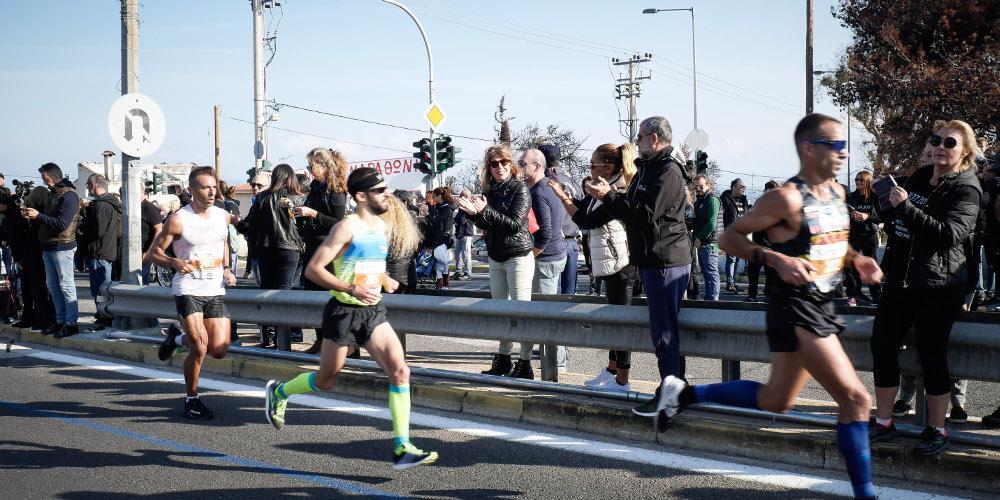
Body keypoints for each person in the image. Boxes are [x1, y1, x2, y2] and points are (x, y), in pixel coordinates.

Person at [655, 114, 882, 500]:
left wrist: (856, 258)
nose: (844, 153)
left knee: (779, 399)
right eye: (836, 145)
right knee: (857, 399)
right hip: (795, 306)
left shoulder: (838, 194)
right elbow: (729, 238)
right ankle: (866, 495)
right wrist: (774, 258)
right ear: (809, 149)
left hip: (823, 304)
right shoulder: (784, 198)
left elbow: (831, 241)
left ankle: (684, 394)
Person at [264, 167, 438, 470]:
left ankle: (402, 447)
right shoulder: (346, 227)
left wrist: (384, 279)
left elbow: (365, 260)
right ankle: (279, 392)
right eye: (380, 190)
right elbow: (314, 270)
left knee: (400, 372)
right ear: (361, 196)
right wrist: (350, 288)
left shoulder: (381, 226)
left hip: (373, 312)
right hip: (343, 311)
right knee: (325, 379)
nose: (387, 195)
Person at [869, 120, 983, 455]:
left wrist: (906, 207)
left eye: (950, 142)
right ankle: (885, 422)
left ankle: (937, 428)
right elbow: (894, 220)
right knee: (882, 343)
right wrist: (884, 203)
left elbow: (949, 235)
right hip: (901, 280)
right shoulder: (919, 177)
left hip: (939, 284)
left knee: (932, 354)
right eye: (936, 140)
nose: (940, 147)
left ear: (965, 151)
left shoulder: (967, 188)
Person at [584, 116, 692, 418]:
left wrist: (610, 197)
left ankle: (670, 397)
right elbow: (632, 209)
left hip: (664, 260)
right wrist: (610, 198)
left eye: (640, 136)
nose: (636, 141)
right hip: (652, 259)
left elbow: (645, 214)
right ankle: (672, 390)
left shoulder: (668, 170)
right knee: (662, 332)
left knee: (665, 333)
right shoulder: (651, 168)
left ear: (654, 138)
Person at [151, 166, 238, 420]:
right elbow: (154, 253)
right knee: (200, 347)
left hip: (214, 288)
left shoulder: (222, 215)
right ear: (191, 190)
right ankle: (192, 398)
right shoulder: (178, 219)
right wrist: (174, 263)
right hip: (188, 287)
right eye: (205, 187)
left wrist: (225, 268)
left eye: (214, 187)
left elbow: (223, 241)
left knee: (219, 348)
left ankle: (176, 338)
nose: (211, 192)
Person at [551, 142, 637, 392]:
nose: (589, 168)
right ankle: (612, 371)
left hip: (622, 264)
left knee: (622, 323)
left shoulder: (619, 191)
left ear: (609, 167)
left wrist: (562, 196)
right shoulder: (603, 189)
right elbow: (584, 207)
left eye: (593, 165)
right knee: (614, 320)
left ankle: (623, 379)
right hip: (609, 262)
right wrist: (569, 193)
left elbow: (587, 220)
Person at [455, 144, 534, 378]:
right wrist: (474, 214)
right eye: (494, 164)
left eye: (503, 162)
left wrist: (484, 211)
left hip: (518, 254)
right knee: (500, 311)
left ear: (511, 164)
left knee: (521, 311)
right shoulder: (492, 190)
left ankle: (525, 363)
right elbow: (488, 224)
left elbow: (514, 224)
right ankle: (503, 359)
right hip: (496, 255)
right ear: (488, 168)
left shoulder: (519, 189)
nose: (499, 167)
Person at [237, 164, 306, 349]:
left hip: (266, 249)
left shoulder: (262, 198)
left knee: (267, 293)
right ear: (291, 178)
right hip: (290, 250)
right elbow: (305, 227)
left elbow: (250, 227)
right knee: (284, 294)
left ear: (274, 178)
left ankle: (268, 337)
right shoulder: (299, 198)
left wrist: (236, 223)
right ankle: (283, 341)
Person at [297, 148, 349, 354]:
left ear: (324, 166)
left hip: (329, 250)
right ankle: (321, 340)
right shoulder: (315, 189)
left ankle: (338, 343)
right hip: (312, 246)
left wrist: (314, 214)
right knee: (313, 295)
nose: (309, 170)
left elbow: (338, 223)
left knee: (328, 296)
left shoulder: (336, 191)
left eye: (312, 166)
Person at [523, 148, 568, 377]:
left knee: (544, 316)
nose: (521, 168)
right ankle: (555, 361)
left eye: (524, 164)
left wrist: (530, 257)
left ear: (537, 166)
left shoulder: (539, 192)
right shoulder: (548, 185)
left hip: (545, 259)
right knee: (547, 312)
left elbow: (545, 232)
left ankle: (556, 364)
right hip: (554, 256)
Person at [22, 163, 81, 338]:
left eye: (46, 179)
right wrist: (33, 216)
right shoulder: (53, 194)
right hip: (48, 246)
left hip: (62, 246)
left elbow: (62, 224)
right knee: (53, 286)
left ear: (55, 176)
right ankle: (60, 320)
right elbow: (49, 220)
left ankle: (71, 324)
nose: (45, 183)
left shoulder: (69, 195)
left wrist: (38, 216)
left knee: (66, 285)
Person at [539, 144, 583, 296]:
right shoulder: (573, 182)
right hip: (572, 243)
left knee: (551, 297)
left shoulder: (544, 183)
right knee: (570, 296)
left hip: (554, 244)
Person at [81, 174, 122, 331]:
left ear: (93, 185)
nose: (87, 189)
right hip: (103, 251)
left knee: (100, 289)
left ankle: (105, 318)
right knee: (101, 288)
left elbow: (98, 230)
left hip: (100, 252)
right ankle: (104, 317)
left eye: (87, 186)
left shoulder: (101, 205)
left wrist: (83, 229)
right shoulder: (108, 203)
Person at [844, 171, 882, 306]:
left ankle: (876, 295)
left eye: (861, 180)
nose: (858, 182)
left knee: (871, 264)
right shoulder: (851, 197)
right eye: (856, 180)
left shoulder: (874, 197)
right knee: (851, 266)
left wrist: (867, 216)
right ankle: (854, 295)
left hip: (869, 236)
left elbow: (881, 217)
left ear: (867, 181)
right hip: (854, 235)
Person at [745, 180, 780, 302]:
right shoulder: (758, 203)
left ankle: (768, 295)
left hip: (770, 245)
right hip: (756, 243)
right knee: (753, 272)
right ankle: (752, 295)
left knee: (770, 273)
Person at [691, 175, 721, 301]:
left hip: (710, 242)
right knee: (706, 273)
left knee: (712, 273)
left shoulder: (712, 200)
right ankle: (708, 299)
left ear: (708, 185)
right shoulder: (699, 200)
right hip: (702, 243)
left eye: (701, 186)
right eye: (696, 186)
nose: (698, 189)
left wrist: (699, 238)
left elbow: (711, 223)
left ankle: (713, 301)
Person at [720, 178, 749, 294]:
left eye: (744, 187)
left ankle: (733, 284)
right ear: (734, 187)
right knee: (731, 259)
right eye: (741, 187)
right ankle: (730, 284)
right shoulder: (725, 199)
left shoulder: (744, 200)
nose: (743, 189)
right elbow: (720, 218)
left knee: (736, 260)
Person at [426, 186, 456, 289]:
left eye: (434, 196)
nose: (433, 199)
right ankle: (442, 284)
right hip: (442, 238)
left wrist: (426, 214)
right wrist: (430, 209)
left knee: (442, 262)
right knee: (440, 263)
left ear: (440, 196)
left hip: (443, 238)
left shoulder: (446, 208)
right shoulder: (442, 207)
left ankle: (443, 284)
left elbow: (437, 221)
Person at [242, 174, 269, 280]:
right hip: (255, 251)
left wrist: (238, 223)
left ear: (268, 186)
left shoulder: (269, 203)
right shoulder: (256, 204)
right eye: (253, 185)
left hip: (266, 253)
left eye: (259, 185)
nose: (255, 188)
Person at [140, 191, 164, 285]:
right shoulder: (132, 206)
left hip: (144, 252)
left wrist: (149, 252)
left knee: (140, 283)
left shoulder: (149, 208)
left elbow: (159, 230)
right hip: (132, 252)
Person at [452, 189, 475, 281]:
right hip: (460, 233)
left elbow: (462, 220)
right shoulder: (461, 209)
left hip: (466, 233)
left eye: (463, 195)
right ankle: (458, 271)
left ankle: (468, 272)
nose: (461, 197)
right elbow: (457, 219)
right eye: (461, 195)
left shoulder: (469, 207)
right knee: (458, 254)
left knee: (466, 254)